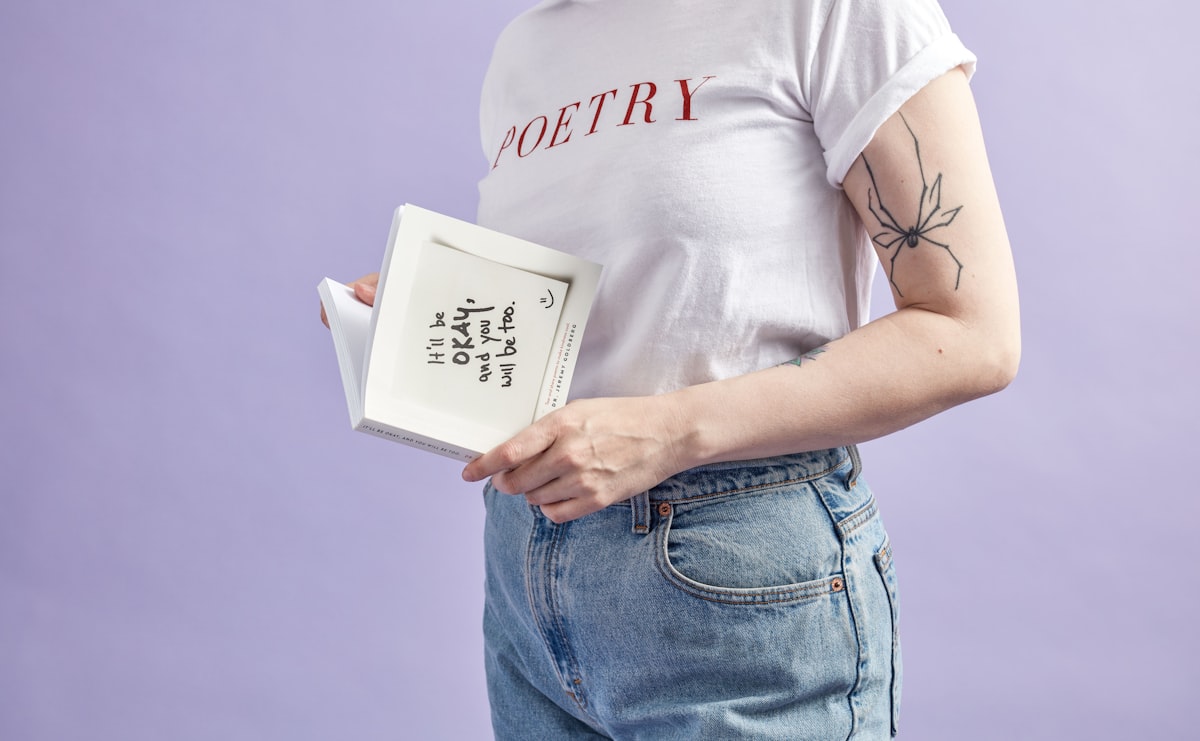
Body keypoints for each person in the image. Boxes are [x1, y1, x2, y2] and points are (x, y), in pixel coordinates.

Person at [325, 0, 1019, 737]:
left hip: (738, 573)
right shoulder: (526, 48)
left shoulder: (832, 11)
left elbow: (972, 332)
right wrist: (433, 310)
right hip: (526, 573)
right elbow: (626, 313)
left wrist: (669, 430)